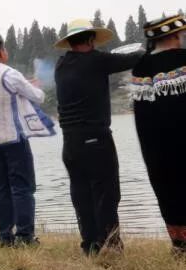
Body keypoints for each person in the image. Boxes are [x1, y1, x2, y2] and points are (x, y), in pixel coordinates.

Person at [54, 18, 142, 255]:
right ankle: (112, 246)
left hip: (70, 142)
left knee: (82, 195)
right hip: (96, 139)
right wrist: (147, 48)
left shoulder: (61, 65)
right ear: (91, 39)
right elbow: (131, 59)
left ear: (70, 42)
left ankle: (91, 246)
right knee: (107, 193)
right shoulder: (96, 61)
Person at [0, 37, 55, 247]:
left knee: (1, 188)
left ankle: (5, 236)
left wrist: (24, 84)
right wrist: (34, 85)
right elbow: (38, 97)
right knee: (22, 187)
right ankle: (25, 236)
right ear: (1, 53)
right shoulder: (8, 73)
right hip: (11, 138)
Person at [129, 15, 186, 255]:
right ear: (174, 35)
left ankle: (180, 246)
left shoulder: (141, 66)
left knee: (168, 189)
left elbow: (141, 113)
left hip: (156, 145)